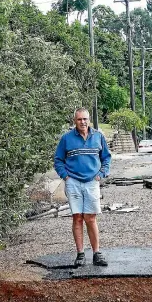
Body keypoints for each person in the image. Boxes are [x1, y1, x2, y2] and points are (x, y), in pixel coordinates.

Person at [54, 108, 111, 267]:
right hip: (73, 182)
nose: (83, 122)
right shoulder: (66, 138)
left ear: (89, 120)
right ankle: (80, 254)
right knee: (77, 217)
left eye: (85, 119)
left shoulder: (98, 137)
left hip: (92, 181)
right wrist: (65, 176)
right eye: (79, 119)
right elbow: (58, 160)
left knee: (91, 218)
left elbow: (106, 158)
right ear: (75, 121)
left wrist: (102, 173)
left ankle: (96, 253)